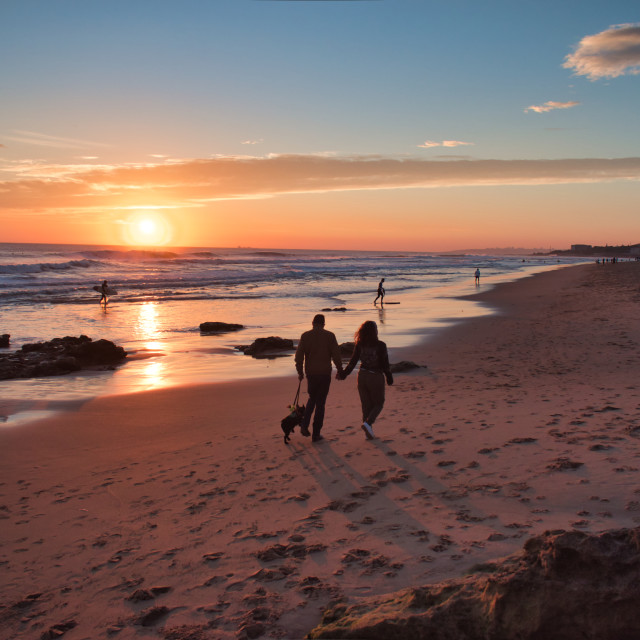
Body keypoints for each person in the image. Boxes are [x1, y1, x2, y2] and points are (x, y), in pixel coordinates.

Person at [294, 314, 344, 442]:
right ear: (324, 324)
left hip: (311, 374)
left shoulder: (305, 336)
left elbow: (299, 357)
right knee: (320, 403)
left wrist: (300, 372)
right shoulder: (330, 336)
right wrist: (340, 369)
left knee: (312, 399)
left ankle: (304, 425)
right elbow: (336, 355)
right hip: (324, 374)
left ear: (312, 323)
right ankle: (316, 434)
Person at [341, 320, 393, 440]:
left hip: (362, 376)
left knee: (366, 405)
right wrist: (389, 376)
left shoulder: (359, 344)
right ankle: (368, 424)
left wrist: (344, 374)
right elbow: (385, 364)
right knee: (379, 403)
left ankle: (368, 433)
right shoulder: (381, 345)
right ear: (374, 331)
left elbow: (352, 362)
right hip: (375, 376)